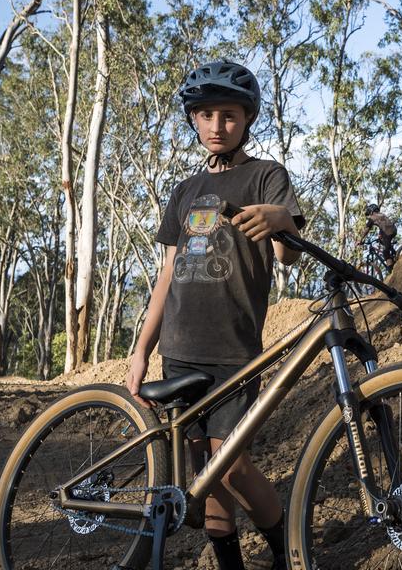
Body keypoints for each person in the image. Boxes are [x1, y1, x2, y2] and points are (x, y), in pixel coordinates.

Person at [125, 60, 303, 570]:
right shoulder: (183, 191)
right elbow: (166, 275)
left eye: (228, 115)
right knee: (204, 469)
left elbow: (288, 252)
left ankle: (288, 556)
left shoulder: (266, 175)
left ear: (247, 119)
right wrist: (142, 350)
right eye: (205, 116)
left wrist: (281, 219)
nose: (216, 126)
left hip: (234, 351)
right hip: (179, 351)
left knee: (232, 467)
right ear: (194, 120)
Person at [361, 202, 398, 269]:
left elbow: (366, 230)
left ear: (371, 211)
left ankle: (391, 269)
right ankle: (394, 253)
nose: (369, 216)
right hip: (394, 230)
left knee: (385, 252)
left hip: (387, 233)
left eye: (369, 214)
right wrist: (380, 234)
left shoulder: (372, 218)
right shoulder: (382, 215)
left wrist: (360, 240)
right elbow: (384, 225)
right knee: (383, 241)